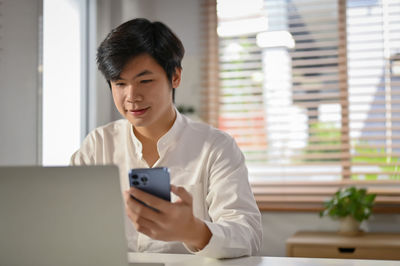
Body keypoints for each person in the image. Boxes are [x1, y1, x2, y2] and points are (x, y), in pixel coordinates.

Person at [70, 18, 262, 259]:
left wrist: (194, 231)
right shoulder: (98, 144)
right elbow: (68, 218)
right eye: (120, 83)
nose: (131, 96)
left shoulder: (216, 147)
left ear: (175, 77)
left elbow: (248, 235)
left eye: (145, 81)